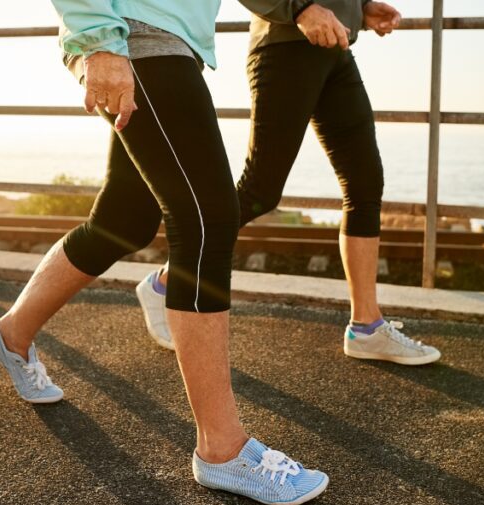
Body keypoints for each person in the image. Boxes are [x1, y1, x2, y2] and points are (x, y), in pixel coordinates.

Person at [0, 0, 329, 505]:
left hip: (164, 42)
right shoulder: (120, 40)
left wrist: (310, 6)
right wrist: (98, 40)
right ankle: (222, 449)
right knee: (207, 220)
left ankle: (12, 334)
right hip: (135, 39)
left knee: (123, 221)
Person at [136, 0, 442, 365]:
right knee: (260, 191)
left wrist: (359, 8)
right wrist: (299, 9)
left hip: (336, 48)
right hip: (286, 47)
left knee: (365, 185)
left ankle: (366, 327)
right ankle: (166, 282)